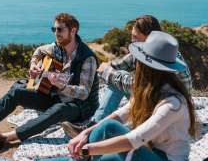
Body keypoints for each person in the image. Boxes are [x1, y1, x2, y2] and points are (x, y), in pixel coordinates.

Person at [0, 31, 199, 161]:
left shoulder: (173, 103)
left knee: (104, 135)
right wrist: (87, 134)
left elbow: (133, 140)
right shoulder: (150, 91)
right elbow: (121, 114)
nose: (136, 66)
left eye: (140, 62)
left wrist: (87, 148)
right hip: (147, 158)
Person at [0, 13, 99, 154]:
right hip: (55, 95)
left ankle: (4, 138)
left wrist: (62, 85)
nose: (56, 33)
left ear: (73, 31)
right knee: (16, 93)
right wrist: (33, 64)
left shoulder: (87, 58)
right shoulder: (58, 47)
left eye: (60, 30)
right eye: (54, 29)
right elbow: (40, 51)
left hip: (78, 107)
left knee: (59, 109)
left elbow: (84, 93)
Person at [62, 15, 191, 138]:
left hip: (169, 108)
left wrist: (108, 72)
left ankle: (98, 129)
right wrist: (102, 69)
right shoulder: (142, 52)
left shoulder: (168, 59)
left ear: (150, 37)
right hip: (150, 102)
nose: (132, 40)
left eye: (135, 37)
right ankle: (94, 126)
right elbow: (116, 66)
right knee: (118, 78)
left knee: (119, 79)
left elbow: (144, 88)